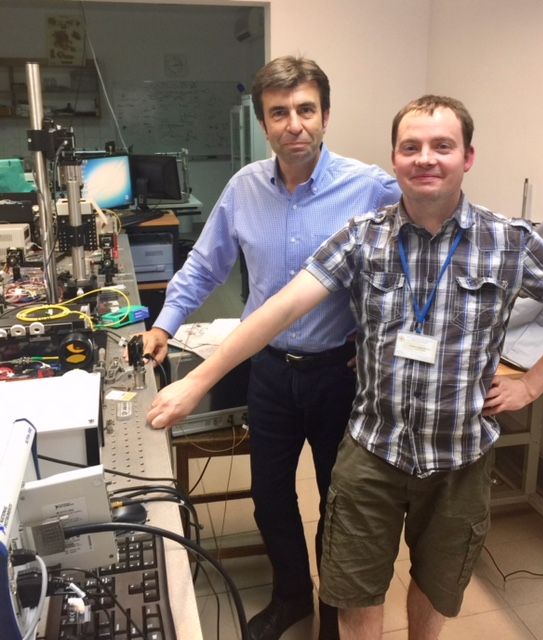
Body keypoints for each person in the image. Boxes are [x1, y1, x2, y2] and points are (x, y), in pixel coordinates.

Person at [147, 94, 543, 639]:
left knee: (436, 586)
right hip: (373, 452)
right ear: (395, 159)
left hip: (459, 456)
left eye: (442, 146)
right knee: (354, 590)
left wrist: (532, 385)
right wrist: (198, 379)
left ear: (468, 157)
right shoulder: (363, 236)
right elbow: (281, 308)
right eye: (411, 147)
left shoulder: (510, 241)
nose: (425, 158)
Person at [142, 55, 400, 639]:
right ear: (264, 123)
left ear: (326, 116)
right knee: (270, 496)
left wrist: (379, 337)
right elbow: (204, 266)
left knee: (340, 502)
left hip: (341, 374)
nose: (294, 124)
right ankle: (292, 597)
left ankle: (334, 610)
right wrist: (164, 324)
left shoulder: (371, 188)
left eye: (306, 110)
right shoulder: (244, 188)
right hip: (271, 373)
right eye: (279, 113)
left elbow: (413, 266)